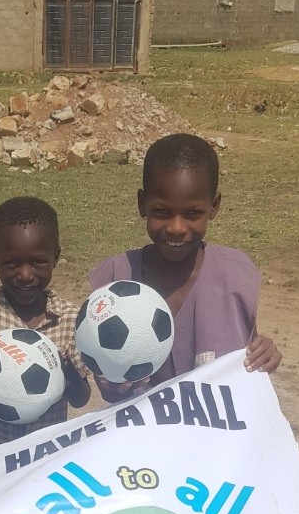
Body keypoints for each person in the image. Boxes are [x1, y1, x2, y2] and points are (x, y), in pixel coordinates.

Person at [87, 134, 281, 400]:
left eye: (192, 214)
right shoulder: (115, 282)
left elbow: (246, 352)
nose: (177, 228)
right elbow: (110, 390)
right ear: (143, 204)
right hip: (148, 426)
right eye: (162, 212)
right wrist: (111, 385)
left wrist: (265, 354)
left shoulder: (236, 278)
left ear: (214, 206)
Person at [0, 196, 90, 454]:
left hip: (41, 460)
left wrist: (69, 376)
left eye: (37, 262)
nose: (25, 275)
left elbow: (81, 399)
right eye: (12, 263)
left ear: (56, 257)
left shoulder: (70, 319)